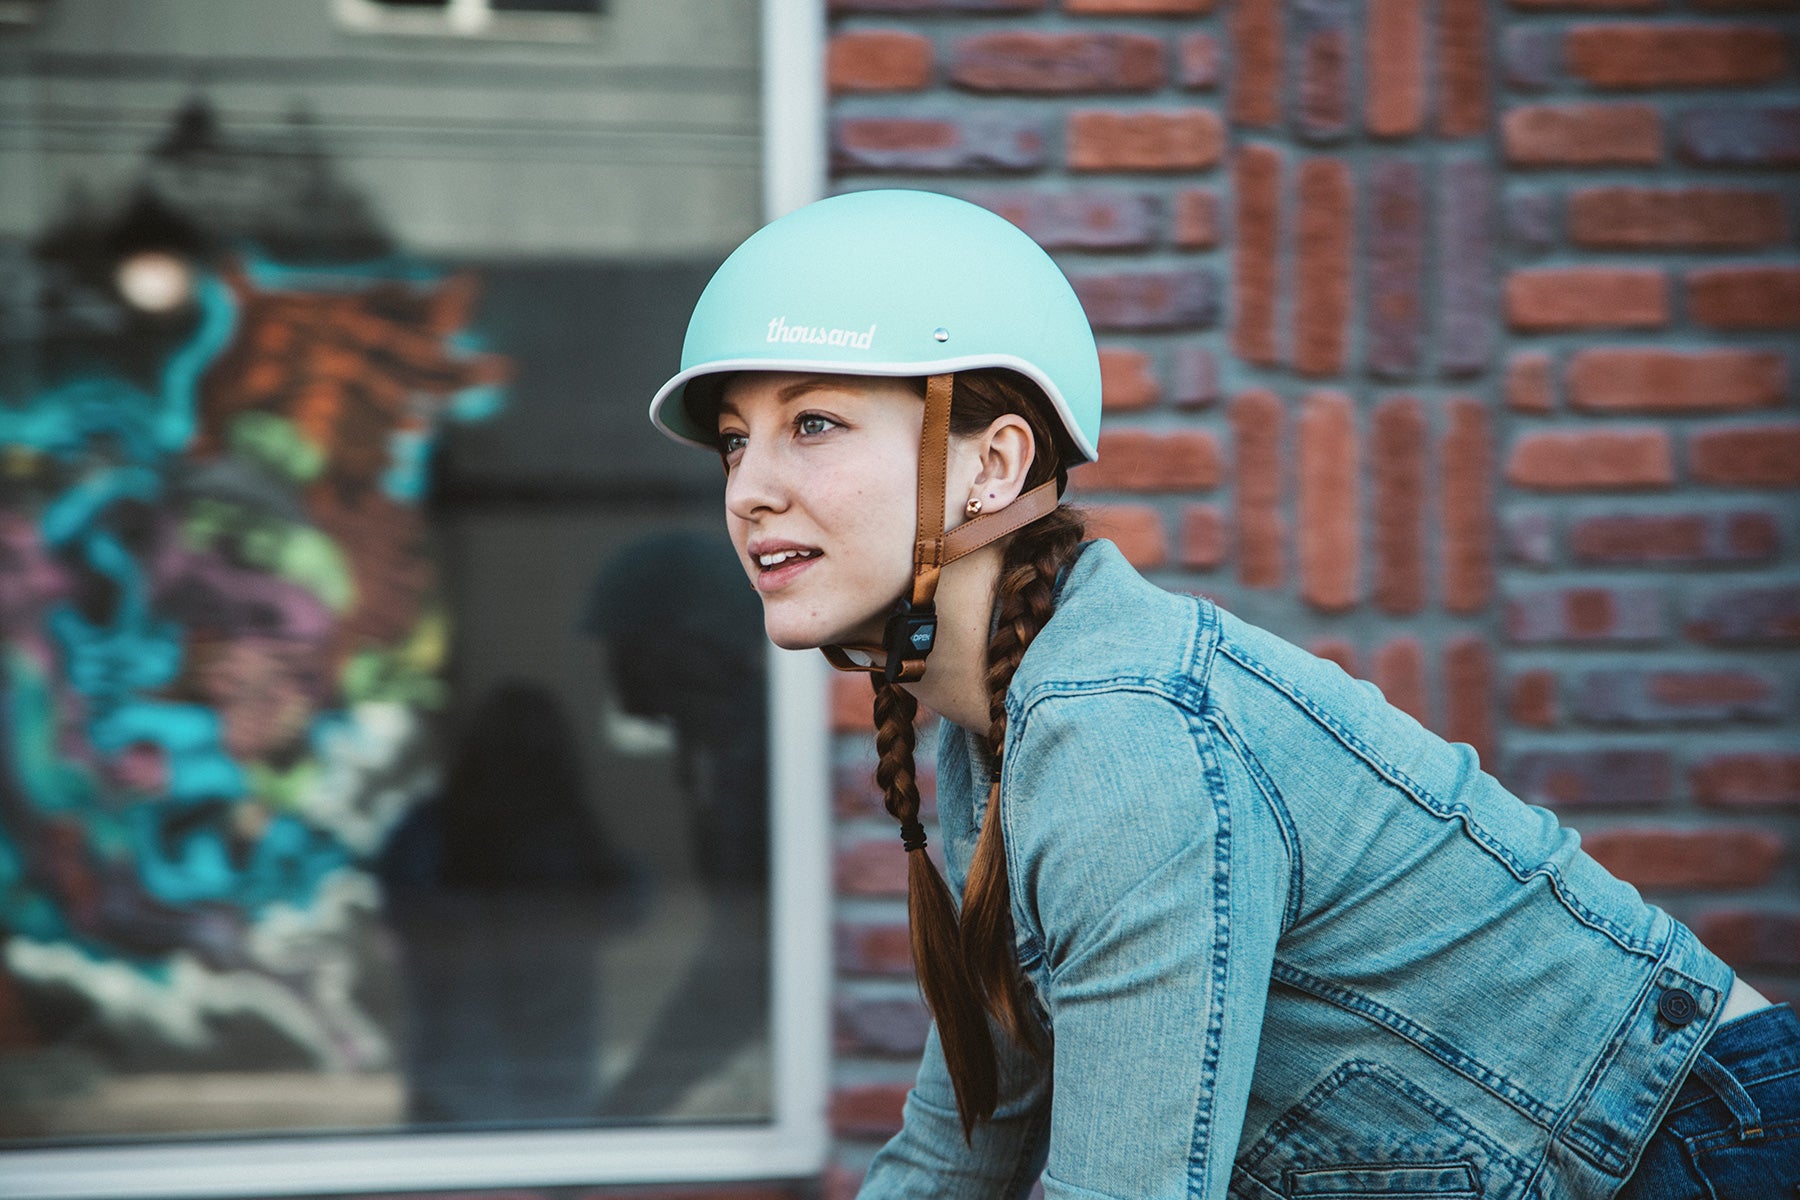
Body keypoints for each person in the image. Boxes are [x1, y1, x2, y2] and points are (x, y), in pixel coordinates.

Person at [646, 190, 1798, 1198]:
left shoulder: (1123, 739)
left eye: (813, 423)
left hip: (1705, 1148)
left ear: (991, 465)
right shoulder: (995, 741)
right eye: (738, 443)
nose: (749, 488)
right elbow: (962, 1147)